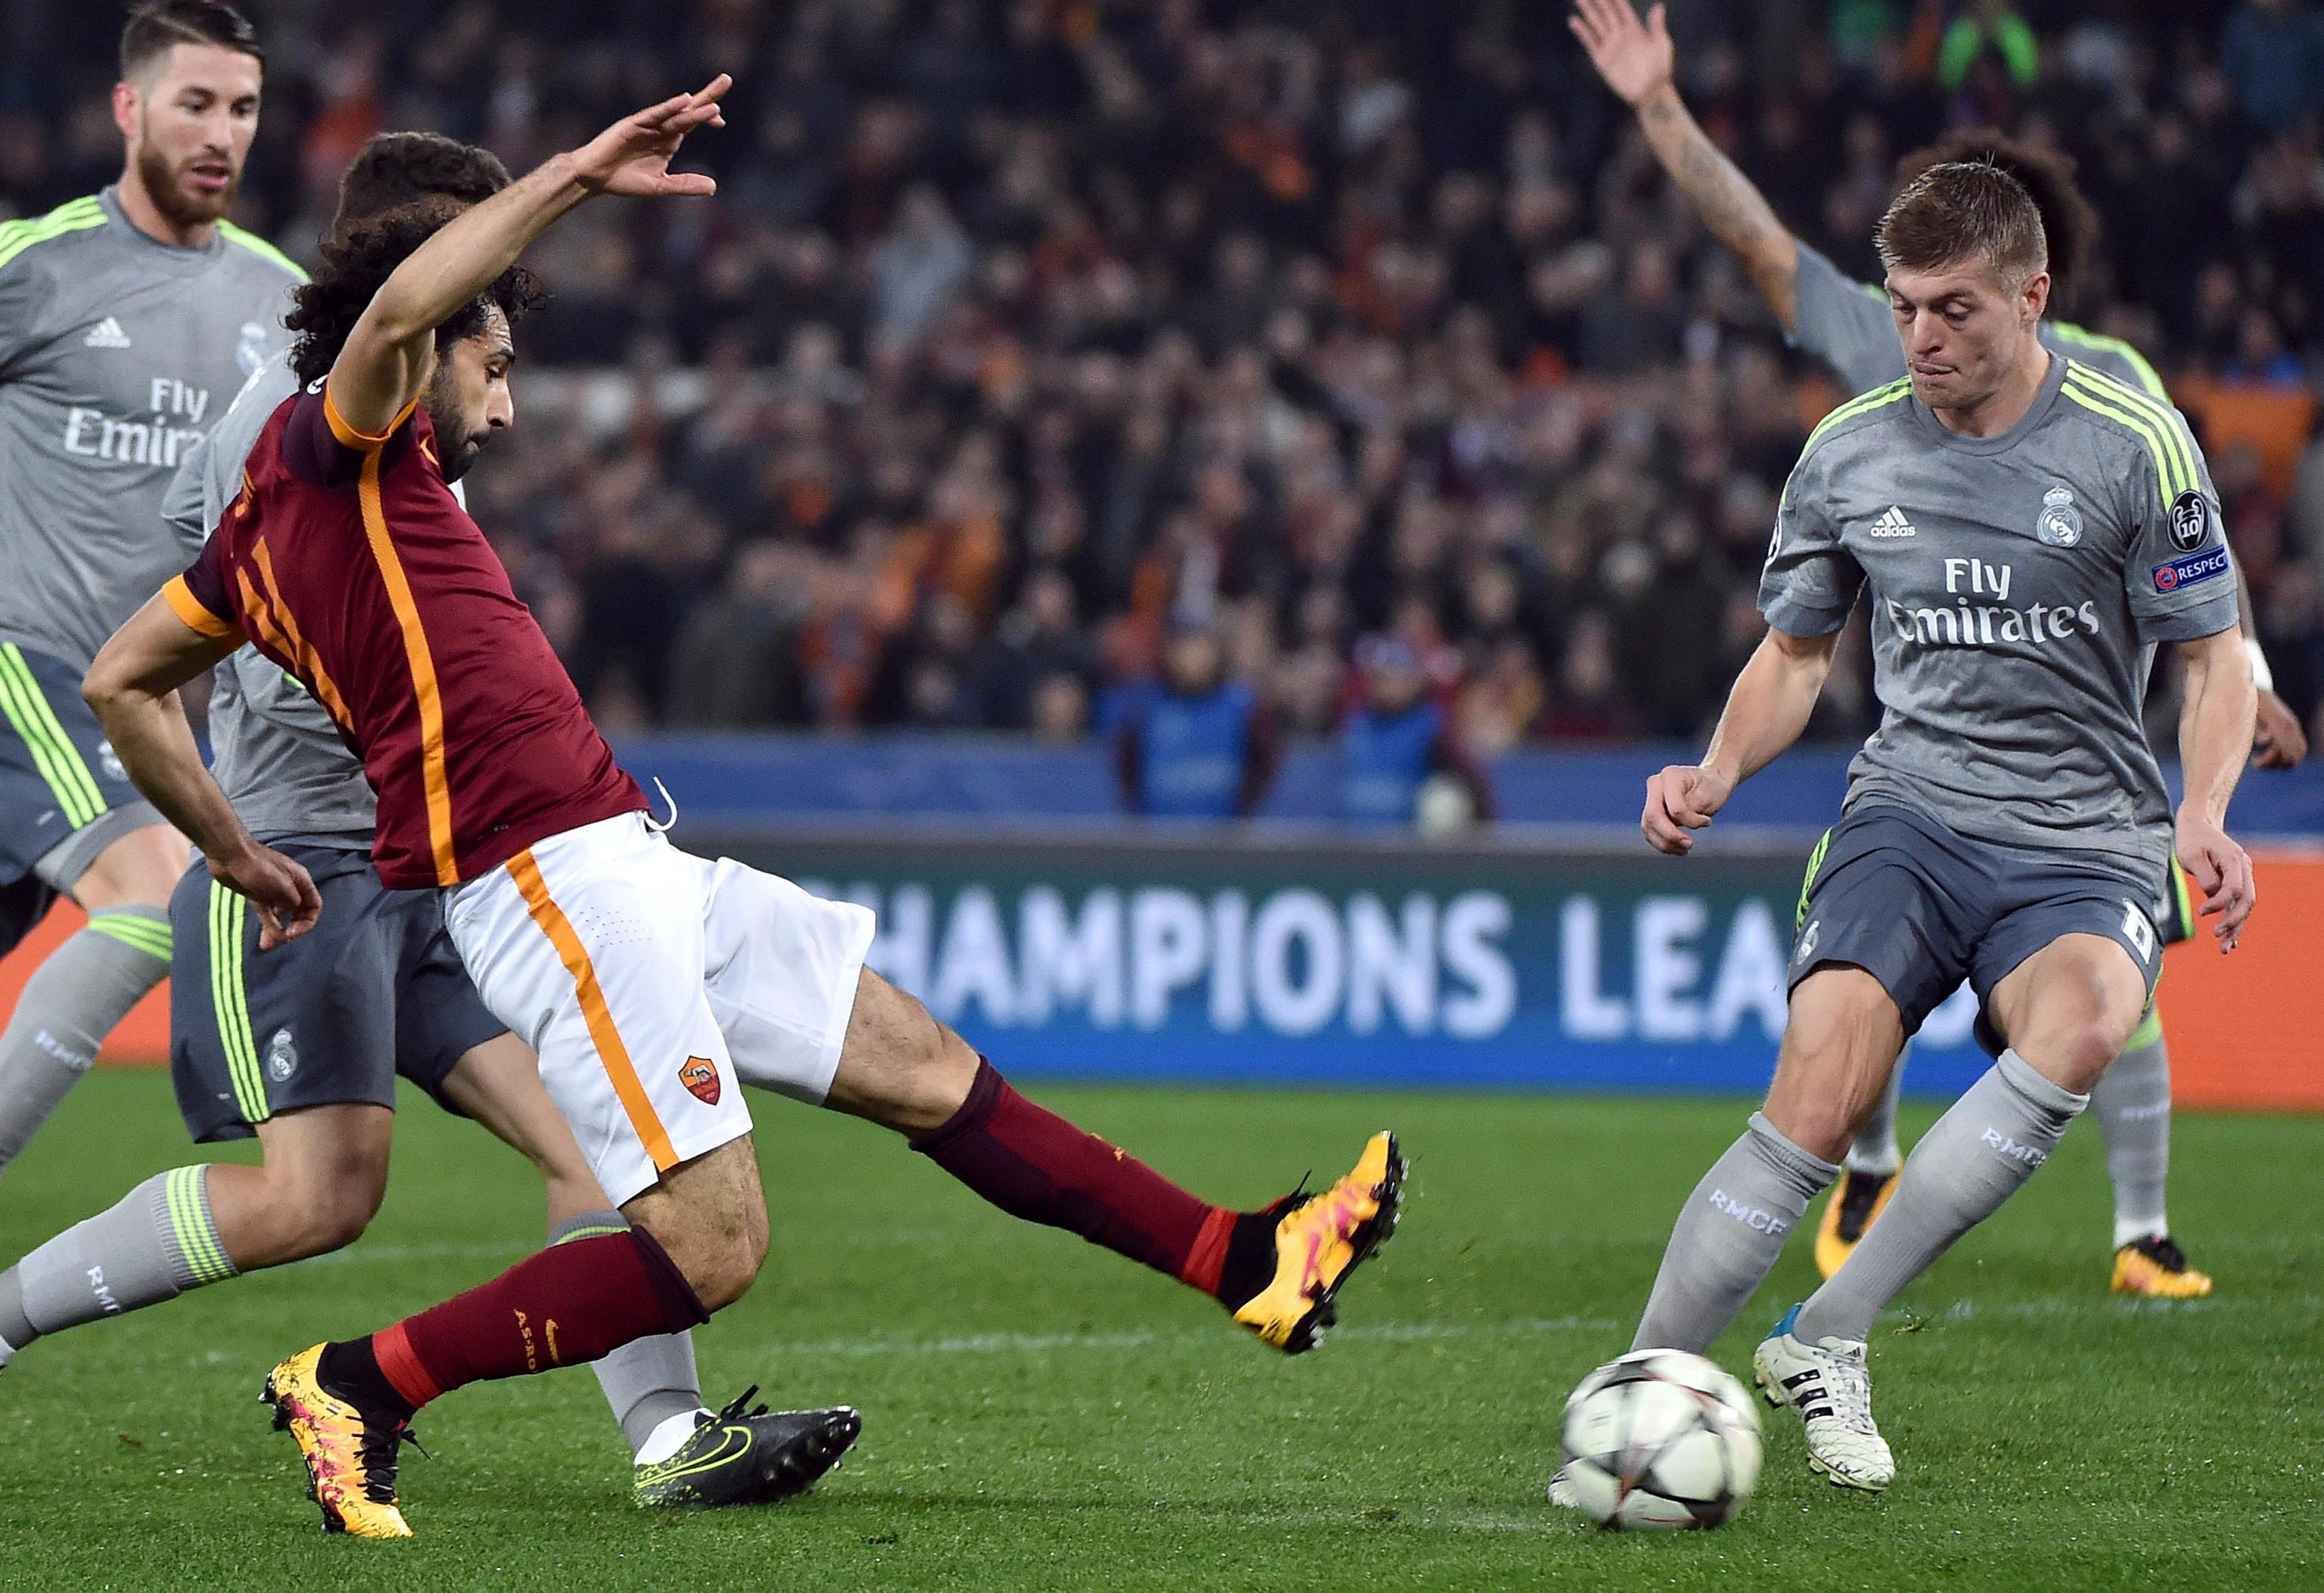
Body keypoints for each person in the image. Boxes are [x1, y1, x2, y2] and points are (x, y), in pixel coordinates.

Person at [85, 76, 1403, 1540]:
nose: (508, 406)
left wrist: (226, 844)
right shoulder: (337, 447)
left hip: (619, 856)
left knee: (923, 1062)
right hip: (541, 884)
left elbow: (125, 680)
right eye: (499, 364)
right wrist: (581, 173)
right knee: (712, 1244)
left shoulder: (261, 542)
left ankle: (1244, 1261)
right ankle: (361, 1382)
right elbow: (389, 328)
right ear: (424, 339)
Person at [0, 129, 859, 1515]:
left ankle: (669, 1441)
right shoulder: (287, 422)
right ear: (415, 260)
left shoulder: (417, 421)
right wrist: (232, 834)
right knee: (313, 1205)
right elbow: (193, 626)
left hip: (443, 862)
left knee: (591, 1141)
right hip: (305, 862)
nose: (504, 279)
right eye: (486, 247)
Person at [1571, 0, 2304, 1297]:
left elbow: (2203, 596)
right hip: (1932, 775)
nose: (1919, 329)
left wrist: (2244, 688)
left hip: (2098, 780)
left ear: (2028, 279)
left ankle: (2133, 1230)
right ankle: (1873, 1172)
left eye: (1952, 293)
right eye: (1909, 294)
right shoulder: (1893, 365)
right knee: (1875, 972)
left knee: (2104, 996)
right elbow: (1756, 246)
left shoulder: (2121, 401)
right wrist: (1657, 109)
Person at [0, 1, 306, 1179]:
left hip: (141, 706)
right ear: (129, 109)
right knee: (150, 891)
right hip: (29, 662)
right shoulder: (43, 266)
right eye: (195, 104)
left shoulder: (276, 304)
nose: (220, 133)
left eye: (241, 109)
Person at [1114, 617, 1283, 818]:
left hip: (1226, 838)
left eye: (1201, 648)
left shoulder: (1244, 706)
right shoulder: (1146, 707)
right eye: (1185, 648)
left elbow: (1266, 764)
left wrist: (1244, 809)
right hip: (1157, 837)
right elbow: (1126, 767)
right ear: (1170, 653)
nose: (1193, 658)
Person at [1336, 635, 1495, 828]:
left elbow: (1471, 780)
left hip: (1409, 844)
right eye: (1381, 678)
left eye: (1395, 677)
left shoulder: (1432, 727)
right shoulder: (1357, 722)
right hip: (1354, 842)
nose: (1386, 686)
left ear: (1414, 681)